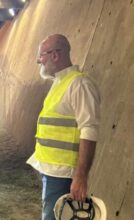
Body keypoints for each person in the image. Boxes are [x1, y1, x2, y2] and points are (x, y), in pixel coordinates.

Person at [26, 34, 101, 220]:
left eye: (41, 55)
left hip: (63, 173)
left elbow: (89, 130)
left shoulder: (79, 85)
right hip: (51, 170)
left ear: (55, 56)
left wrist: (80, 176)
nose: (38, 60)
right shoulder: (59, 83)